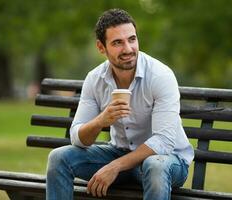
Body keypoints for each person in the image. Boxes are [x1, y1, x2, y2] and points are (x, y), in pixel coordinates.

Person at [46, 8, 194, 200]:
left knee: (154, 165)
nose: (128, 49)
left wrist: (114, 167)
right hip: (120, 153)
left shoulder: (160, 76)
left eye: (132, 39)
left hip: (169, 161)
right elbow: (78, 138)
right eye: (117, 43)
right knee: (59, 158)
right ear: (101, 47)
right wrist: (100, 121)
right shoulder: (94, 79)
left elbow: (163, 142)